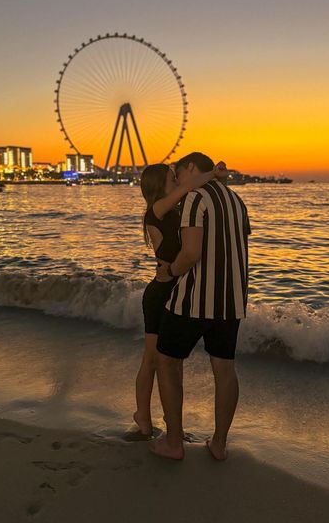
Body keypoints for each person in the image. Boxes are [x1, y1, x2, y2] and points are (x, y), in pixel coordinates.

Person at [151, 152, 251, 460]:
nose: (179, 180)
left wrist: (170, 271)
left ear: (191, 168)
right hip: (232, 301)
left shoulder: (195, 199)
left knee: (166, 361)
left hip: (194, 300)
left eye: (179, 173)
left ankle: (173, 442)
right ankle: (219, 444)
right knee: (224, 369)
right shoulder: (236, 200)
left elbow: (192, 253)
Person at [134, 162, 225, 437]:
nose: (176, 181)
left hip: (180, 288)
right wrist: (212, 173)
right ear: (159, 186)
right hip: (160, 292)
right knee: (151, 359)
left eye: (175, 178)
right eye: (171, 178)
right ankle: (143, 416)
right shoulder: (156, 212)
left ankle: (172, 422)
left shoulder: (176, 210)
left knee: (172, 362)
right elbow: (188, 186)